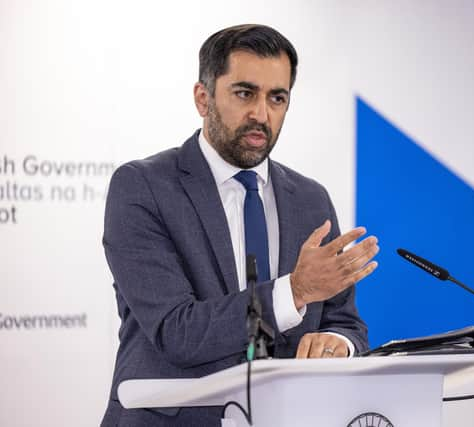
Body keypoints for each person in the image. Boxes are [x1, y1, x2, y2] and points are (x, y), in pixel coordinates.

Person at [100, 24, 379, 426]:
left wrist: (337, 343)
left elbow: (344, 322)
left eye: (277, 98)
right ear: (203, 97)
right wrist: (295, 290)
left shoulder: (309, 199)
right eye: (245, 93)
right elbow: (176, 331)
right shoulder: (143, 188)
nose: (261, 115)